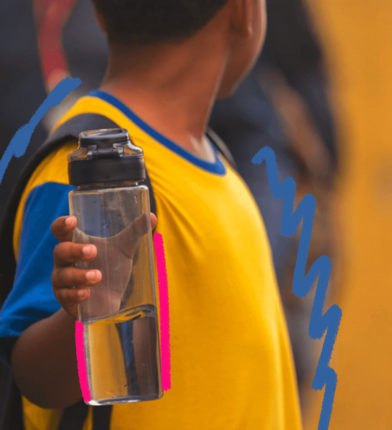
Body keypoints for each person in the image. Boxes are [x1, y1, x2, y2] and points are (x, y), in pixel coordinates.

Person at [0, 0, 302, 429]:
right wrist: (83, 314)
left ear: (100, 15)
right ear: (244, 11)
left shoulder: (218, 164)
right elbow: (33, 379)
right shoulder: (89, 171)